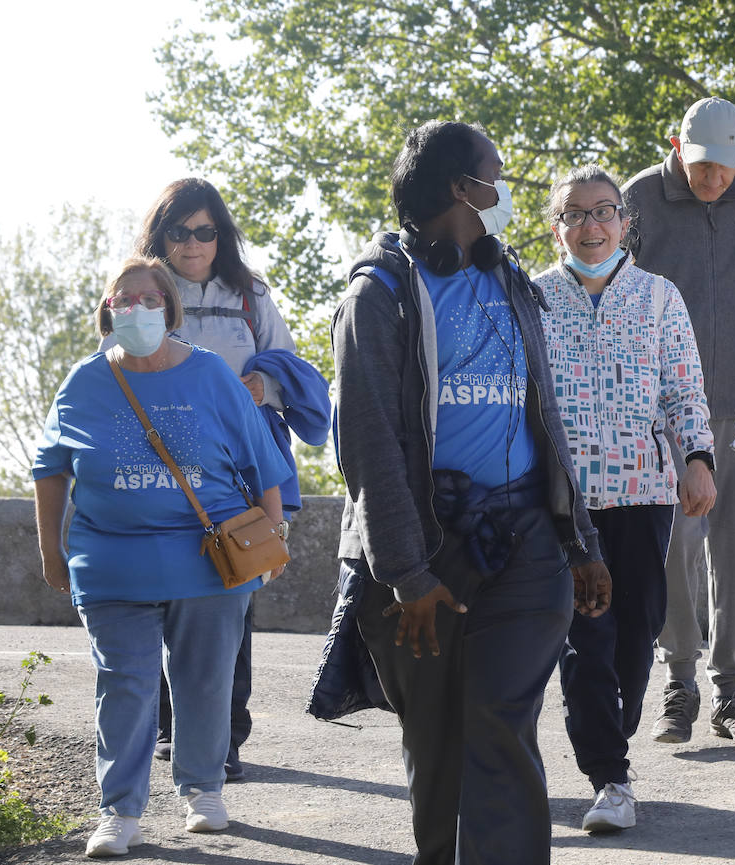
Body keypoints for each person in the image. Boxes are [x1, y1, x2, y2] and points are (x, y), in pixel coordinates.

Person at [331, 121, 613, 865]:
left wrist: (579, 538)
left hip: (524, 539)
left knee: (499, 719)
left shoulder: (507, 276)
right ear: (463, 188)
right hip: (421, 552)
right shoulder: (380, 293)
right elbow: (368, 445)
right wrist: (408, 573)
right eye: (496, 172)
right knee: (438, 751)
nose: (505, 188)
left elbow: (545, 415)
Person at [34, 256, 292, 857]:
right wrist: (52, 550)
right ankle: (119, 811)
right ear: (107, 310)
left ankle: (202, 790)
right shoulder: (84, 381)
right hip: (110, 563)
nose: (138, 310)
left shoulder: (208, 375)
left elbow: (262, 460)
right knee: (123, 684)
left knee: (204, 681)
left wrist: (274, 535)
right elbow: (51, 469)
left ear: (169, 309)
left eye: (150, 299)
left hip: (209, 561)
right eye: (125, 300)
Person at [105, 178, 330, 782]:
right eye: (179, 231)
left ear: (221, 234)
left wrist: (263, 387)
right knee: (156, 603)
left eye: (205, 230)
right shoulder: (147, 293)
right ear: (162, 235)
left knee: (232, 604)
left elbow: (290, 368)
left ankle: (225, 737)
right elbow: (113, 372)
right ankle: (171, 733)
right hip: (157, 476)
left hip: (231, 474)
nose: (193, 242)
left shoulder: (251, 294)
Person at [622, 96, 735, 747]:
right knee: (674, 550)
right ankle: (680, 681)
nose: (711, 179)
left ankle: (733, 690)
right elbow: (613, 293)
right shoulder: (638, 199)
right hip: (665, 415)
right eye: (700, 166)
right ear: (676, 146)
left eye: (724, 168)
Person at [533, 164, 717, 832]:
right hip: (564, 502)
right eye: (575, 214)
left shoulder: (660, 297)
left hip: (644, 491)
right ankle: (610, 775)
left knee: (637, 632)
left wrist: (697, 458)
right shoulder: (531, 298)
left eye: (604, 211)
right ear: (557, 227)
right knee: (586, 639)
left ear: (625, 221)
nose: (591, 226)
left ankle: (616, 726)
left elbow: (684, 390)